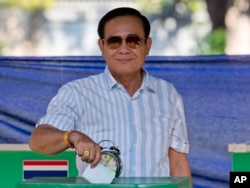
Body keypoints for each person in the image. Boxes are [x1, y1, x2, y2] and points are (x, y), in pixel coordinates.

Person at [29, 7, 192, 182]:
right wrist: (72, 137)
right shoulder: (77, 93)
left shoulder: (168, 94)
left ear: (147, 45)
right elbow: (38, 141)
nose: (124, 49)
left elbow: (178, 163)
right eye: (115, 42)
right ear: (102, 46)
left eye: (133, 41)